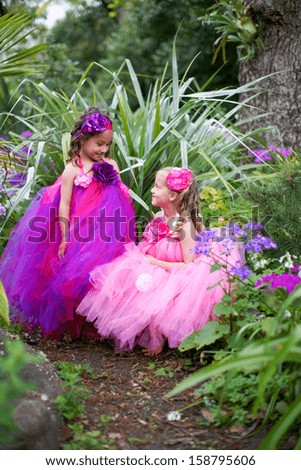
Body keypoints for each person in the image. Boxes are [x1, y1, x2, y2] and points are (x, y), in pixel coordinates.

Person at [76, 166, 244, 355]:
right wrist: (149, 262)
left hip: (180, 276)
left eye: (157, 187)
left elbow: (189, 265)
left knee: (161, 291)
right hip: (159, 270)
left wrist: (154, 263)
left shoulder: (184, 225)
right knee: (130, 277)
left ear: (172, 196)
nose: (152, 190)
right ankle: (147, 332)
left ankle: (160, 339)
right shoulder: (158, 218)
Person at [0, 107, 136, 339]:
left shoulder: (110, 165)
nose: (103, 150)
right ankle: (71, 322)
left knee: (100, 271)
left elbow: (120, 196)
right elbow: (64, 204)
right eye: (98, 144)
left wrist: (122, 188)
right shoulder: (73, 169)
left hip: (105, 230)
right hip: (77, 228)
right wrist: (64, 235)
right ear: (82, 140)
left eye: (107, 145)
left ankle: (94, 322)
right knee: (72, 273)